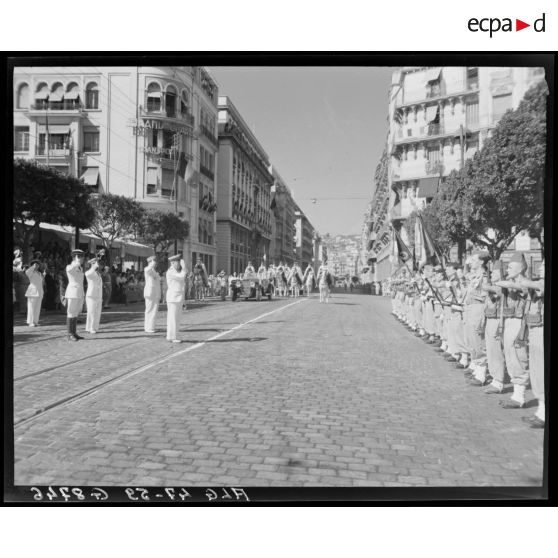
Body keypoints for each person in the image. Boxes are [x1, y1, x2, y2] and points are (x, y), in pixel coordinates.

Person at [494, 251, 529, 409]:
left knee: (517, 357)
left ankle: (520, 397)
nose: (507, 270)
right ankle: (516, 395)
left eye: (510, 267)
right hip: (509, 321)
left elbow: (512, 285)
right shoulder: (510, 280)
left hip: (519, 322)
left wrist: (504, 280)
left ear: (520, 269)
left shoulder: (525, 282)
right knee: (510, 356)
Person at [520, 260, 545, 428]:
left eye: (544, 265)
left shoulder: (540, 283)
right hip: (535, 328)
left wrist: (521, 280)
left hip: (542, 329)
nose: (541, 267)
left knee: (541, 371)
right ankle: (541, 411)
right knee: (536, 369)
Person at [463, 251, 490, 384]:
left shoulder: (484, 277)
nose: (470, 262)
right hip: (470, 308)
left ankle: (481, 374)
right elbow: (465, 274)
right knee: (471, 339)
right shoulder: (474, 276)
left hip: (478, 308)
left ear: (481, 262)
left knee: (478, 340)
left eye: (473, 260)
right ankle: (476, 367)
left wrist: (483, 316)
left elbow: (485, 298)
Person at [481, 264, 507, 394]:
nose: (492, 275)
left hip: (498, 320)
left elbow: (497, 291)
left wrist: (485, 284)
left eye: (495, 273)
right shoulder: (493, 287)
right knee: (490, 350)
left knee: (496, 351)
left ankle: (498, 381)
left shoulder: (502, 287)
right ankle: (494, 378)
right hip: (490, 319)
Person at [65, 249, 85, 341]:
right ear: (75, 257)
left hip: (79, 293)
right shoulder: (70, 266)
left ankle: (74, 332)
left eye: (82, 257)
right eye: (80, 257)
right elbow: (70, 270)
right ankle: (70, 334)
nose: (82, 259)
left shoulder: (80, 268)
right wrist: (76, 262)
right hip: (72, 293)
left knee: (75, 313)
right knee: (71, 313)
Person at [165, 255, 187, 343]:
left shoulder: (176, 271)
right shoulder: (170, 272)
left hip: (177, 297)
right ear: (172, 263)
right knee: (173, 318)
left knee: (176, 318)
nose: (179, 264)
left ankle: (171, 336)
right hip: (173, 298)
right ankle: (173, 337)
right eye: (178, 262)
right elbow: (182, 277)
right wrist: (184, 268)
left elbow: (182, 284)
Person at [85, 257, 103, 334]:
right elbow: (87, 274)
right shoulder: (89, 272)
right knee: (91, 312)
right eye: (96, 263)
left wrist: (101, 297)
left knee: (97, 312)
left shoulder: (98, 273)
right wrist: (93, 267)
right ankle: (90, 327)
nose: (98, 265)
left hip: (98, 295)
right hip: (91, 295)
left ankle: (95, 327)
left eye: (97, 263)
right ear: (92, 264)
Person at [144, 255, 161, 333]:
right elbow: (147, 269)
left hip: (155, 293)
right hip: (150, 293)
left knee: (153, 311)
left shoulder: (153, 271)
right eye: (154, 261)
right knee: (150, 310)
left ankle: (151, 326)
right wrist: (152, 263)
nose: (156, 263)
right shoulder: (148, 269)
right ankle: (149, 327)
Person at [25, 259, 44, 327]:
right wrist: (32, 267)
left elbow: (41, 282)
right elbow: (27, 271)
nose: (37, 266)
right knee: (31, 307)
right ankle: (30, 322)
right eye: (35, 264)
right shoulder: (30, 272)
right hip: (32, 292)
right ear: (32, 265)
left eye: (37, 264)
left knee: (37, 307)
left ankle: (35, 321)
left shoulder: (39, 273)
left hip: (39, 291)